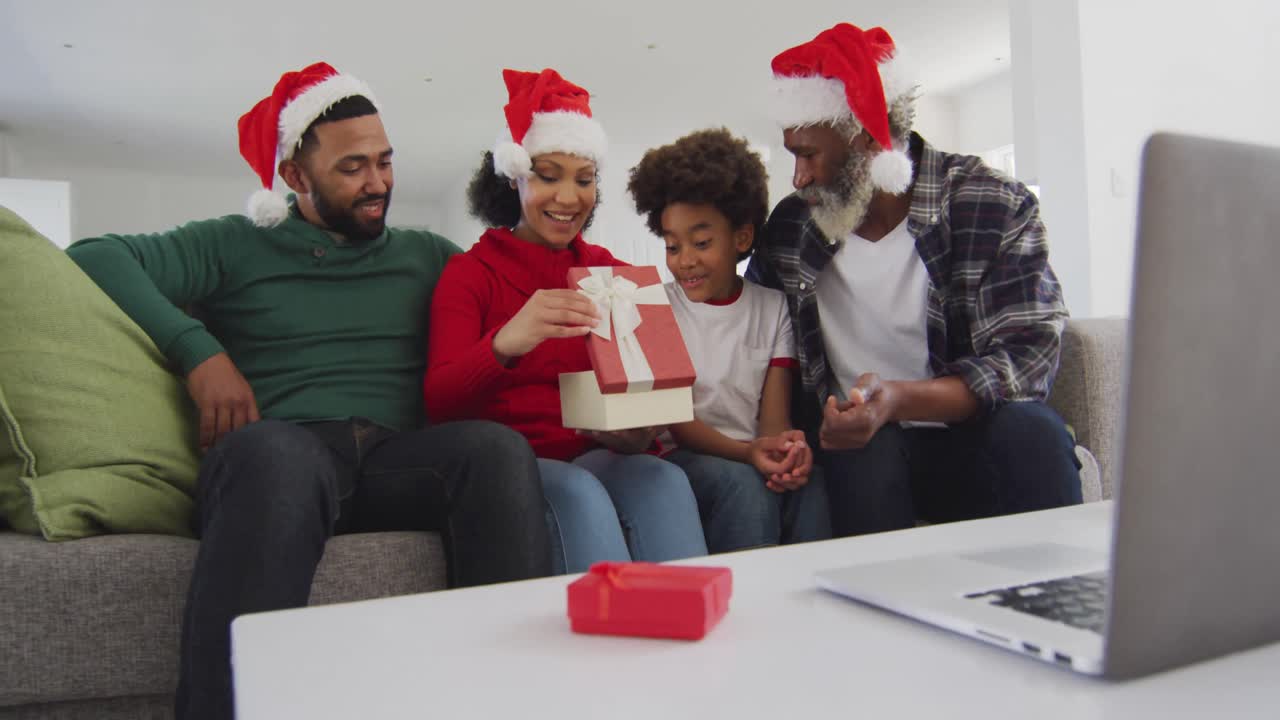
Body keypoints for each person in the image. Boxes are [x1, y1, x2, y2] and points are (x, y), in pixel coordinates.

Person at [66, 62, 552, 720]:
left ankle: (510, 704)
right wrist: (197, 351)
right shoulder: (235, 243)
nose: (377, 183)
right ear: (294, 175)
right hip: (281, 452)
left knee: (494, 452)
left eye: (385, 161)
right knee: (279, 456)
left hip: (395, 461)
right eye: (352, 167)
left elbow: (509, 322)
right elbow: (94, 256)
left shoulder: (429, 255)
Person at [747, 24, 1082, 538]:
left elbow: (1027, 356)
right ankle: (882, 612)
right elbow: (762, 340)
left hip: (972, 436)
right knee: (867, 448)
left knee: (1033, 431)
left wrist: (898, 399)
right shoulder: (792, 228)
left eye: (808, 154)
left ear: (863, 139)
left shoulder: (989, 203)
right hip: (859, 451)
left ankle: (1054, 606)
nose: (798, 178)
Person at [424, 68, 708, 572]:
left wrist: (639, 432)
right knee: (577, 492)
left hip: (600, 452)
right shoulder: (469, 274)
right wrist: (505, 343)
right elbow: (438, 401)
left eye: (584, 179)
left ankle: (697, 627)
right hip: (520, 466)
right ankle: (604, 642)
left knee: (663, 479)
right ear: (513, 178)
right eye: (547, 176)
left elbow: (647, 394)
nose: (568, 198)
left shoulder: (617, 275)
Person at [626, 127, 830, 553]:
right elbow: (678, 423)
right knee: (743, 485)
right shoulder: (651, 306)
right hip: (681, 459)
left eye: (701, 243)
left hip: (748, 451)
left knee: (808, 484)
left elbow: (773, 417)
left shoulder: (773, 308)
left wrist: (784, 450)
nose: (685, 261)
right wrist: (749, 453)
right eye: (671, 246)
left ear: (741, 237)